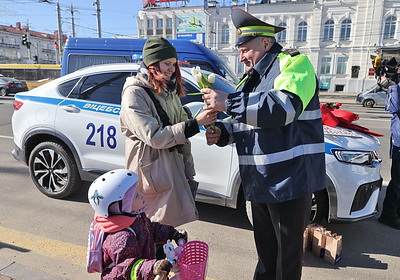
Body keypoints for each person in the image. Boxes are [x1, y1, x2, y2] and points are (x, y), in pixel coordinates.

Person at [202, 8, 326, 280]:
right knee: (267, 257)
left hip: (288, 181)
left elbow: (282, 109)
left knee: (286, 261)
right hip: (260, 181)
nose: (241, 56)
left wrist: (228, 102)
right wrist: (223, 133)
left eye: (245, 49)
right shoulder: (250, 78)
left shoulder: (294, 63)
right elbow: (249, 121)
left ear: (266, 43)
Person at [119, 36, 217, 228]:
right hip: (150, 173)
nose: (172, 68)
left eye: (174, 63)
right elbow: (154, 136)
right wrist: (195, 124)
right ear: (151, 63)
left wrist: (189, 171)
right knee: (151, 230)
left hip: (171, 169)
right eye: (166, 63)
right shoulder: (134, 92)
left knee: (167, 232)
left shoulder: (168, 90)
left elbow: (181, 131)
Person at [87, 169, 188, 280]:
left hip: (143, 273)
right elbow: (128, 266)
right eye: (135, 196)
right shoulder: (121, 238)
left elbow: (149, 229)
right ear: (121, 207)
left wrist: (171, 232)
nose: (142, 196)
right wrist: (153, 267)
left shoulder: (134, 217)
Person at [378, 70, 400, 230]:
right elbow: (393, 107)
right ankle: (388, 215)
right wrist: (392, 85)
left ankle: (396, 213)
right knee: (398, 181)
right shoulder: (395, 89)